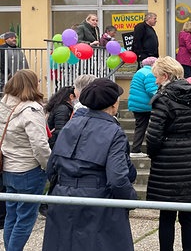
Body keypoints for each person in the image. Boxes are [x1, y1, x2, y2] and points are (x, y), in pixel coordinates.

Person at [42, 78, 137, 251]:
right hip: (98, 203)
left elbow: (52, 167)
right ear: (114, 104)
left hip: (63, 198)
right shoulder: (114, 132)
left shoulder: (70, 125)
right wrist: (130, 200)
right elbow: (117, 178)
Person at [145, 56, 191, 251]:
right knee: (189, 215)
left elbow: (153, 137)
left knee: (166, 215)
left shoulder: (163, 99)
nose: (155, 81)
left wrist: (154, 154)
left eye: (157, 77)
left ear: (165, 76)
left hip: (167, 163)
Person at [0, 70, 51, 251]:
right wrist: (49, 166)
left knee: (11, 216)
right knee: (25, 219)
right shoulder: (31, 110)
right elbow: (39, 145)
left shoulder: (3, 106)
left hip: (8, 167)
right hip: (29, 169)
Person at [128, 56, 158, 158]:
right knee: (147, 127)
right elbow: (151, 90)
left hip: (136, 104)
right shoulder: (150, 74)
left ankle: (136, 149)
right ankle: (136, 150)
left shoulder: (140, 72)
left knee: (140, 126)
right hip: (144, 105)